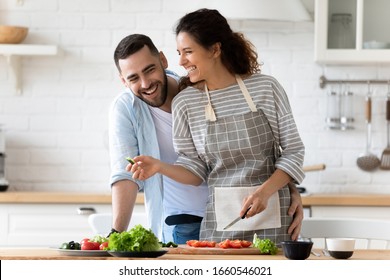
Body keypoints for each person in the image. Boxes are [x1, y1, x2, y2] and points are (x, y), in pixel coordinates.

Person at [129, 9, 305, 244]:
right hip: (220, 227)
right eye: (179, 53)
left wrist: (265, 191)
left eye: (188, 52)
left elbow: (294, 151)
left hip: (275, 220)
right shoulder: (186, 103)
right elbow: (195, 170)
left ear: (214, 49)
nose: (181, 61)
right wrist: (159, 166)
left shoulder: (265, 88)